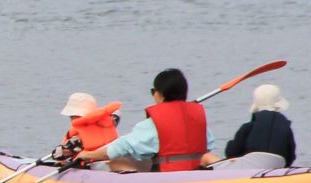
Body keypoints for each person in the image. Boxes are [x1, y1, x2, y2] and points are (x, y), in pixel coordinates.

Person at [78, 68, 219, 172]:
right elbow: (209, 144)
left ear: (160, 94)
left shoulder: (151, 125)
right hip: (197, 174)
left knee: (116, 161)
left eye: (153, 92)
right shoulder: (197, 119)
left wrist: (89, 155)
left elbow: (120, 147)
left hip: (168, 177)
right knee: (208, 156)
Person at [223, 82, 296, 165]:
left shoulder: (247, 127)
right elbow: (291, 157)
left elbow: (231, 153)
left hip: (250, 171)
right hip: (277, 170)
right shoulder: (286, 128)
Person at [57, 92, 121, 163]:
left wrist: (60, 157)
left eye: (71, 117)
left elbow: (62, 153)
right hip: (113, 160)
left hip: (88, 164)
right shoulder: (108, 122)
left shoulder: (77, 130)